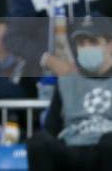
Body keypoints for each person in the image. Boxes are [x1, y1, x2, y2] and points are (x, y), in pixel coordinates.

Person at [27, 19, 112, 171]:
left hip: (105, 151)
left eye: (93, 42)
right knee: (38, 141)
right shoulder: (66, 82)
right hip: (72, 147)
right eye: (82, 44)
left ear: (109, 44)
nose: (86, 48)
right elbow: (50, 129)